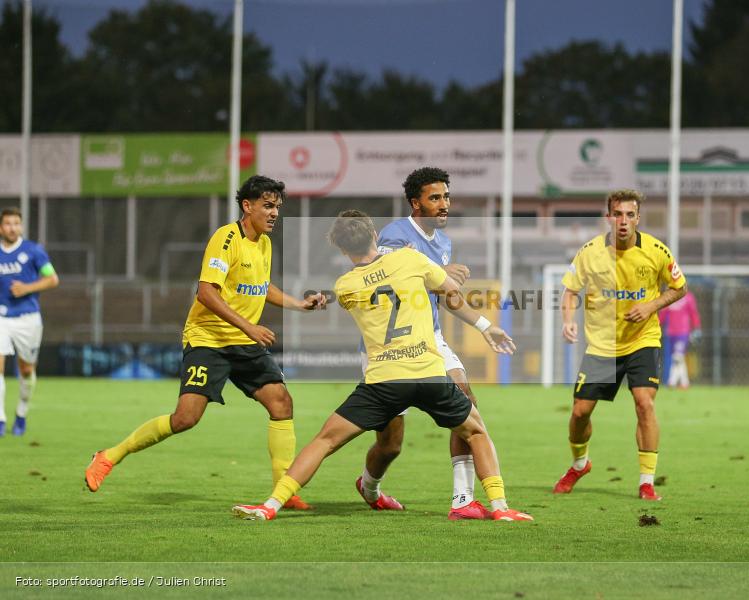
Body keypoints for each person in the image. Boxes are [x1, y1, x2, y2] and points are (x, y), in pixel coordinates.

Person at [232, 210, 532, 522]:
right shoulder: (410, 260)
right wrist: (487, 326)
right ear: (375, 235)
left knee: (325, 440)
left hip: (383, 381)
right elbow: (450, 293)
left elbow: (366, 289)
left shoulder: (346, 285)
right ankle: (500, 507)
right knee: (476, 431)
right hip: (427, 374)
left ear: (341, 248)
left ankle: (270, 506)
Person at [85, 175, 325, 511]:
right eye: (268, 206)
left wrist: (299, 305)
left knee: (281, 403)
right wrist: (251, 327)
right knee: (186, 418)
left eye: (277, 208)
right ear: (248, 205)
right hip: (208, 339)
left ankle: (283, 489)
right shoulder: (226, 239)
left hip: (243, 341)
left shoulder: (265, 244)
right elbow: (206, 292)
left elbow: (262, 286)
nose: (274, 214)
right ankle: (109, 456)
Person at [354, 166, 488, 520]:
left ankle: (463, 500)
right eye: (435, 198)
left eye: (446, 197)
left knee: (467, 404)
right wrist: (441, 273)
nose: (444, 204)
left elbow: (444, 293)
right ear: (416, 203)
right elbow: (387, 276)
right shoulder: (395, 234)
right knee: (390, 444)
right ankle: (369, 486)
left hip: (431, 338)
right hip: (389, 347)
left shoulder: (443, 242)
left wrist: (485, 325)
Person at [554, 189, 686, 502]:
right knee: (580, 413)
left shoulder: (656, 250)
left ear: (638, 218)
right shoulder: (589, 252)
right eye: (617, 214)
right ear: (608, 217)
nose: (622, 221)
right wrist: (568, 320)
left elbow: (679, 288)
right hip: (602, 346)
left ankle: (646, 482)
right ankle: (580, 464)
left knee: (644, 403)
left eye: (629, 215)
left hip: (643, 340)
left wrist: (652, 306)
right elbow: (570, 291)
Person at [0, 207, 59, 437]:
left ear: (21, 226)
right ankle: (1, 420)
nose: (12, 228)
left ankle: (21, 413)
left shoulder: (33, 251)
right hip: (1, 318)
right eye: (7, 223)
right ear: (1, 227)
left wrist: (27, 288)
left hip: (28, 318)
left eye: (16, 223)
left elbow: (52, 279)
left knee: (26, 370)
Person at [659, 289, 701, 389]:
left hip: (683, 332)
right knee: (678, 357)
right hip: (671, 332)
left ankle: (672, 382)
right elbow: (662, 315)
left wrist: (697, 327)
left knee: (677, 357)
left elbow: (693, 313)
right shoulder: (669, 297)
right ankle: (684, 383)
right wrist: (656, 325)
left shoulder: (688, 297)